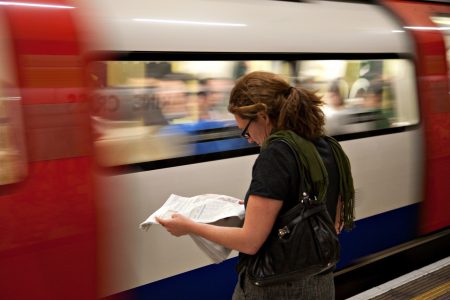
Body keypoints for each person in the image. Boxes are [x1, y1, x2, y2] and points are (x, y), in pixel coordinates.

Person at [157, 71, 355, 299]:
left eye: (246, 130)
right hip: (320, 282)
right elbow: (334, 222)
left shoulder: (276, 154)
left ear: (263, 116)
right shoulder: (327, 146)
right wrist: (258, 207)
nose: (249, 139)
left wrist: (189, 227)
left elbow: (250, 242)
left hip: (277, 287)